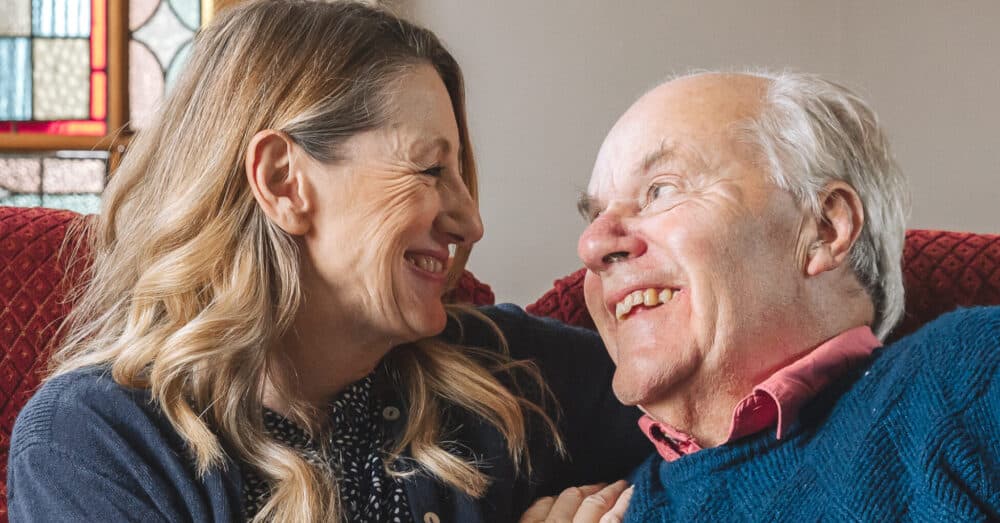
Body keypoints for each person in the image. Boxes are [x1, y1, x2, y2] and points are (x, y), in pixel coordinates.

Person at [6, 1, 650, 521]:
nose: (470, 222)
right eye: (429, 169)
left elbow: (724, 418)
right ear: (284, 181)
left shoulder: (502, 373)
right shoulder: (94, 445)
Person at [576, 70, 1000, 521]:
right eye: (594, 215)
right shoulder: (609, 503)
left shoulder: (967, 373)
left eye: (661, 190)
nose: (593, 245)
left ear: (823, 229)